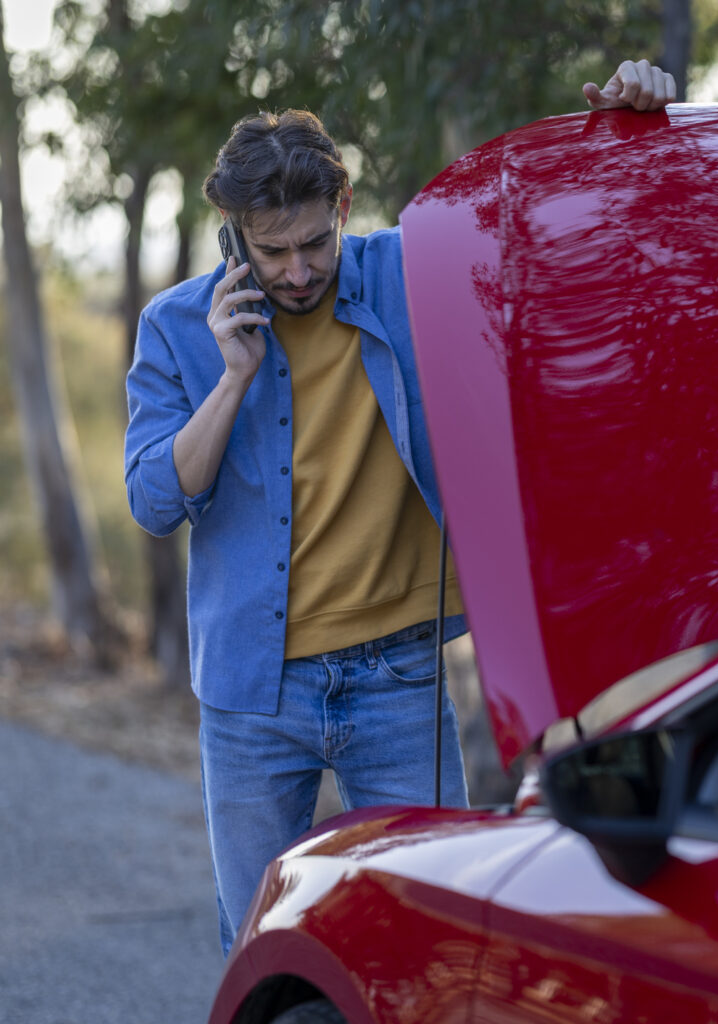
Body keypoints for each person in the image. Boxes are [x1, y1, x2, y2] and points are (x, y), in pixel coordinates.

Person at [124, 60, 676, 955]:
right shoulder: (177, 328)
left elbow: (549, 233)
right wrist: (231, 381)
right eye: (272, 251)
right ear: (233, 236)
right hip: (252, 695)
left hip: (400, 679)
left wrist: (622, 134)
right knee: (258, 948)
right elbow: (153, 502)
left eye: (314, 242)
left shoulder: (411, 274)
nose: (297, 271)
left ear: (343, 207)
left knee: (428, 941)